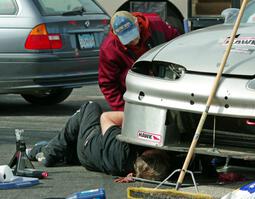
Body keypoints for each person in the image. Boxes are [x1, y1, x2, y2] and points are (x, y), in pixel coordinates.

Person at [28, 101, 170, 180]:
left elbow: (106, 118)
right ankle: (37, 151)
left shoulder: (122, 149)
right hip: (89, 160)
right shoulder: (131, 168)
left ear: (149, 154)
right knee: (61, 149)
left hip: (88, 143)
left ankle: (49, 153)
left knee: (90, 107)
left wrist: (139, 120)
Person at [98, 11, 180, 111]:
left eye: (133, 35)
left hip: (165, 85)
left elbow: (178, 45)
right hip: (135, 95)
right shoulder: (109, 49)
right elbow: (108, 84)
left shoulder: (157, 26)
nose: (132, 41)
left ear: (137, 23)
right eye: (127, 38)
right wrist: (124, 110)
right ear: (116, 35)